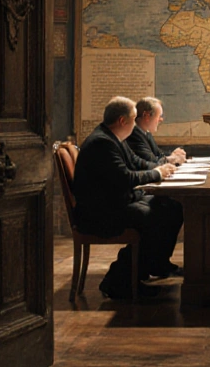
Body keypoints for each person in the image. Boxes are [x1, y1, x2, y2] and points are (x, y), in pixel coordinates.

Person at [72, 96, 184, 300]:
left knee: (170, 206)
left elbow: (136, 162)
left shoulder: (113, 138)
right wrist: (157, 174)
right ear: (123, 121)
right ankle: (118, 282)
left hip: (112, 203)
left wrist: (161, 168)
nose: (136, 123)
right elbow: (125, 177)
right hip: (98, 214)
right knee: (151, 216)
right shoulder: (102, 142)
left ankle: (148, 268)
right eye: (134, 119)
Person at [126, 96, 187, 167]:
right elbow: (152, 161)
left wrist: (172, 155)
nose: (161, 120)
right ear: (146, 116)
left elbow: (159, 155)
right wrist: (172, 159)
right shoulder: (133, 134)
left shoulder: (146, 133)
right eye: (159, 116)